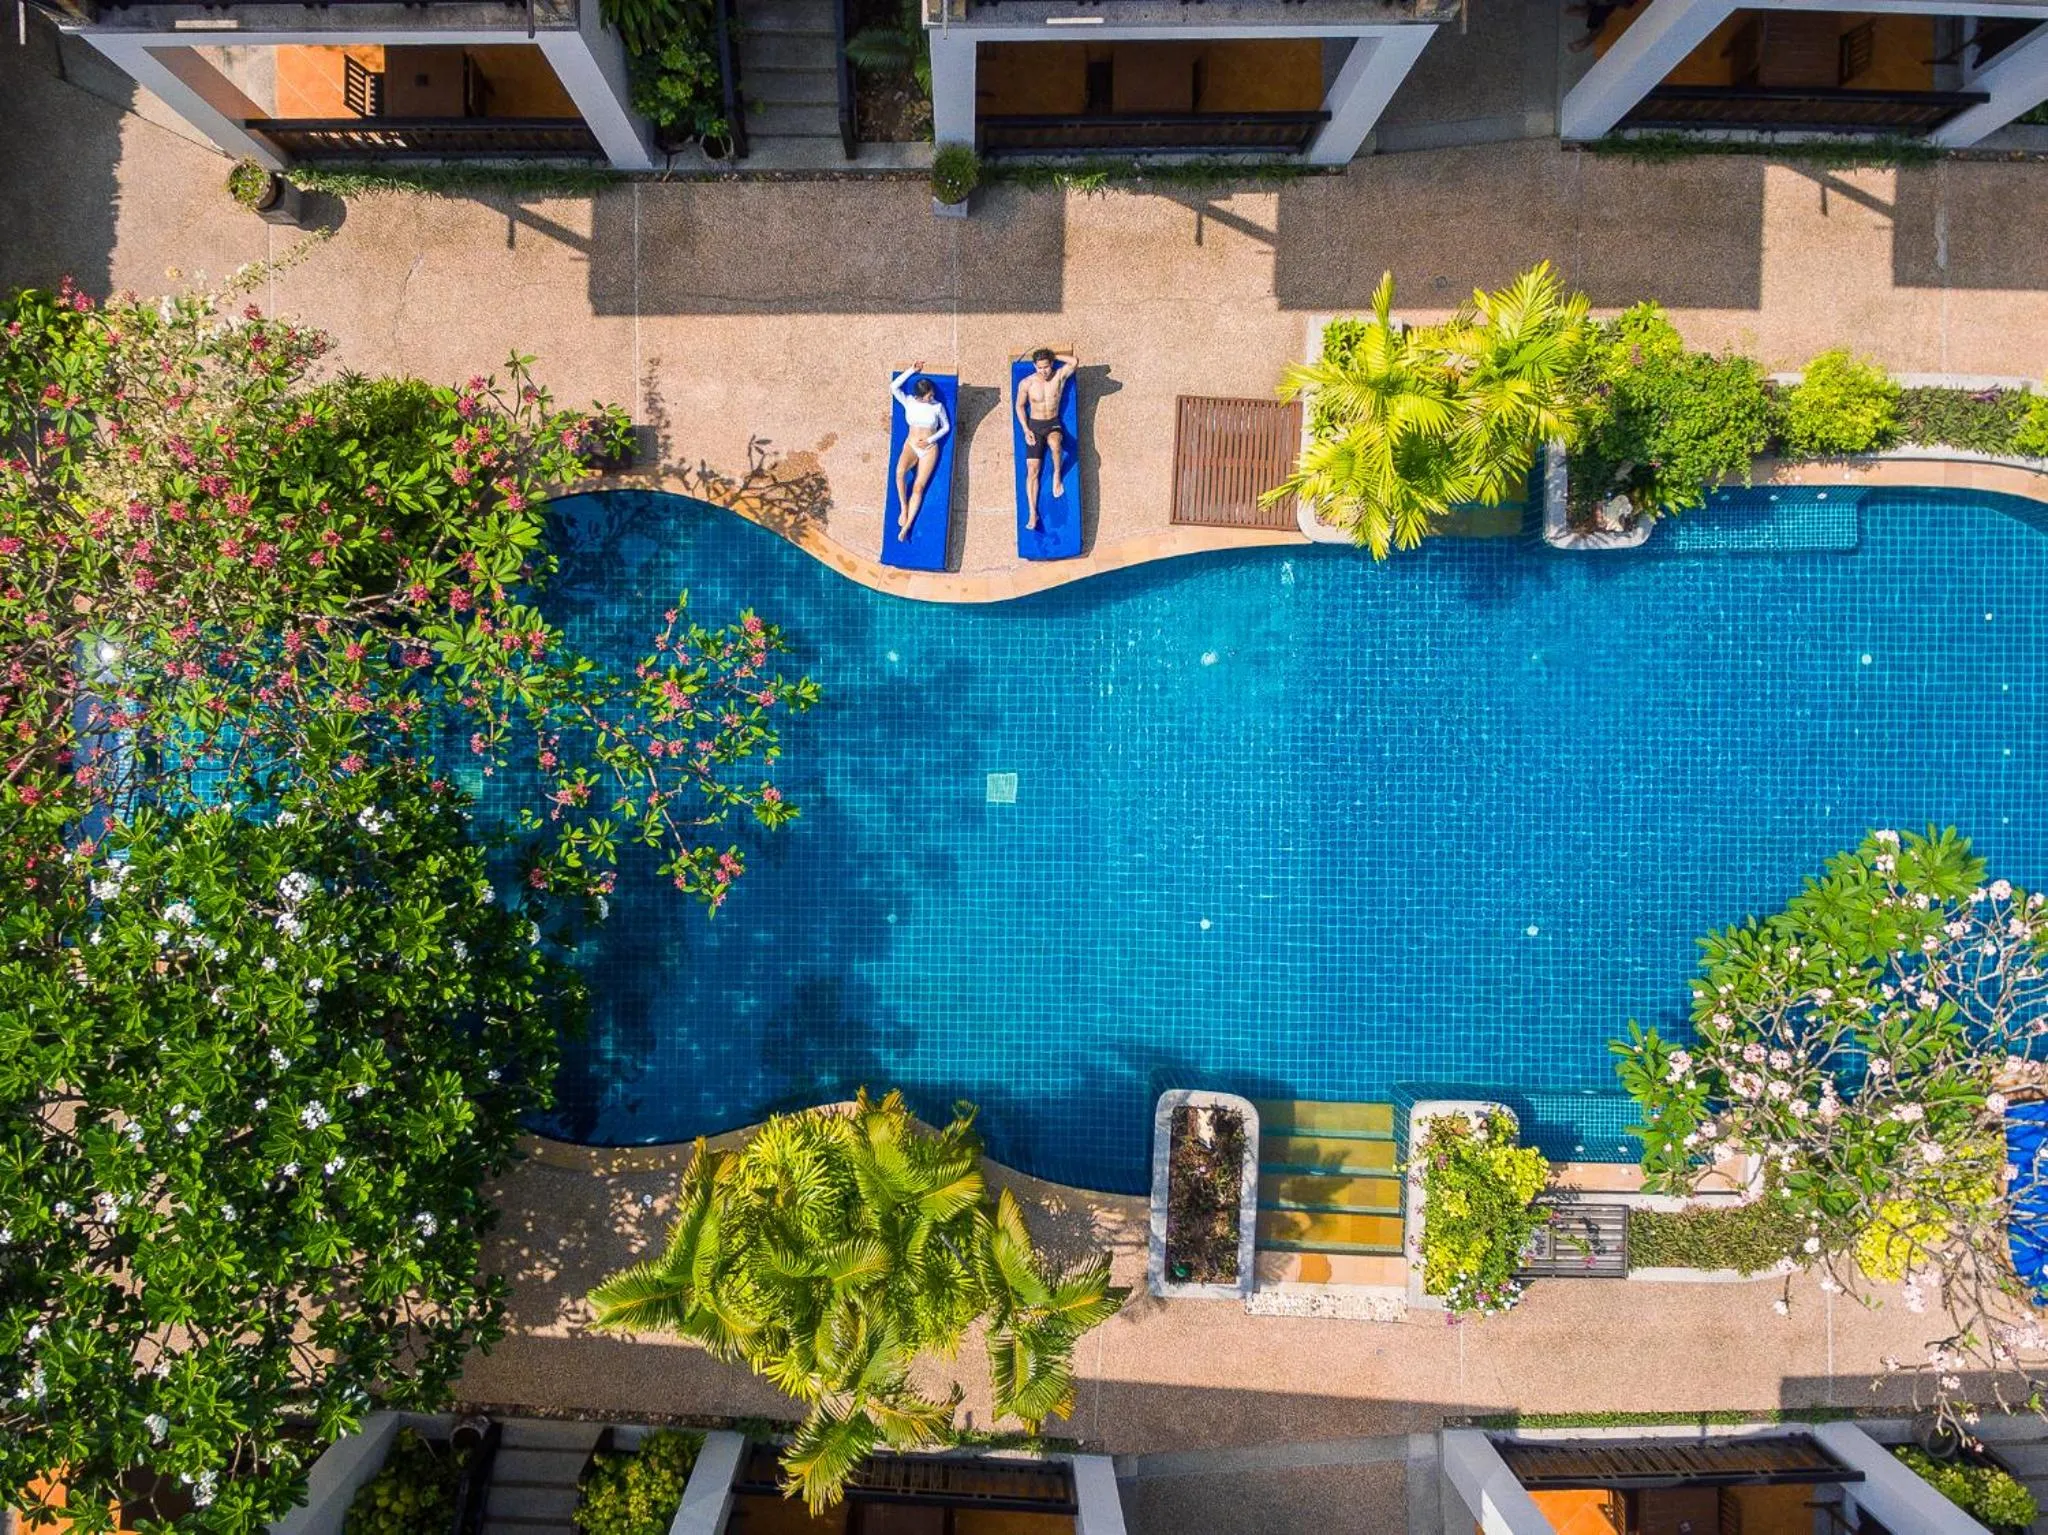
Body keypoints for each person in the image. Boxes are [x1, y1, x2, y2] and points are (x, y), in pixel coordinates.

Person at [1015, 347, 1078, 531]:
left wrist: (1054, 354)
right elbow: (1019, 406)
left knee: (1055, 444)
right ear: (1034, 366)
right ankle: (1033, 513)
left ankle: (1057, 473)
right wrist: (1026, 429)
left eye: (1046, 366)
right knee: (1033, 470)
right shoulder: (1026, 383)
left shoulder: (1059, 376)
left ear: (1051, 364)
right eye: (1040, 367)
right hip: (1034, 425)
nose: (1044, 371)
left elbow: (1074, 362)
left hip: (1052, 423)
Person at [890, 364, 950, 541]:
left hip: (929, 449)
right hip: (911, 444)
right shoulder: (908, 401)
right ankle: (904, 507)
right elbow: (893, 387)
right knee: (900, 472)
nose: (932, 397)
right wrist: (911, 370)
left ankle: (907, 526)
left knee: (918, 486)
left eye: (932, 393)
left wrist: (930, 440)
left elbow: (946, 427)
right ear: (919, 396)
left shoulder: (937, 406)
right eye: (929, 395)